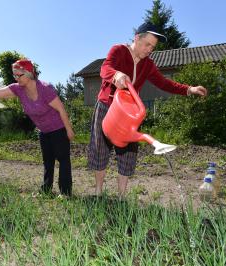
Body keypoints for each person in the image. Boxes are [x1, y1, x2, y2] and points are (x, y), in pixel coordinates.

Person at [88, 21, 207, 197]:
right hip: (107, 106)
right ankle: (98, 192)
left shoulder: (148, 65)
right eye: (147, 44)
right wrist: (116, 75)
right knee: (100, 149)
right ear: (137, 38)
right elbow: (105, 68)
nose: (150, 49)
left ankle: (121, 197)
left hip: (129, 114)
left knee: (128, 154)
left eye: (153, 46)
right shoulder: (119, 50)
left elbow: (164, 83)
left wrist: (189, 89)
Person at [0, 59, 74, 197]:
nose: (17, 78)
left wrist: (69, 130)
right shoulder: (18, 89)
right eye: (15, 75)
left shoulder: (44, 89)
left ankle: (65, 193)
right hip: (43, 131)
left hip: (58, 129)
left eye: (19, 75)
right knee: (48, 162)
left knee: (63, 160)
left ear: (29, 73)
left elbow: (61, 109)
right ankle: (46, 191)